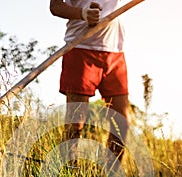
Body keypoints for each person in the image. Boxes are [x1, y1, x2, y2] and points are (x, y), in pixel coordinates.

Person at [50, 0, 129, 162]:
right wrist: (82, 13)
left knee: (121, 123)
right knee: (75, 121)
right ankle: (68, 176)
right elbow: (55, 6)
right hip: (80, 47)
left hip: (114, 52)